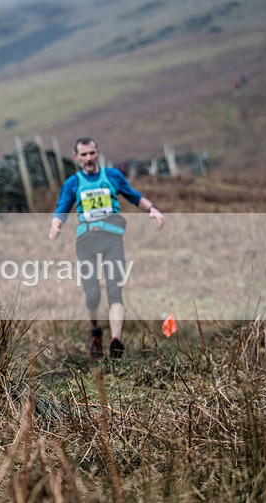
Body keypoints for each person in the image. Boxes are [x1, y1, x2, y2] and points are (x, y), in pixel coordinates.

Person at [49, 136, 164, 358]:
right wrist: (56, 224)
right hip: (86, 243)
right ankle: (95, 331)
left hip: (112, 241)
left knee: (114, 290)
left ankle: (116, 342)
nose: (89, 158)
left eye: (92, 153)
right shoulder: (73, 183)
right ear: (76, 158)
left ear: (98, 153)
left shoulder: (112, 176)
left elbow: (134, 196)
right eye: (84, 155)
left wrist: (153, 209)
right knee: (92, 295)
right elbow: (62, 207)